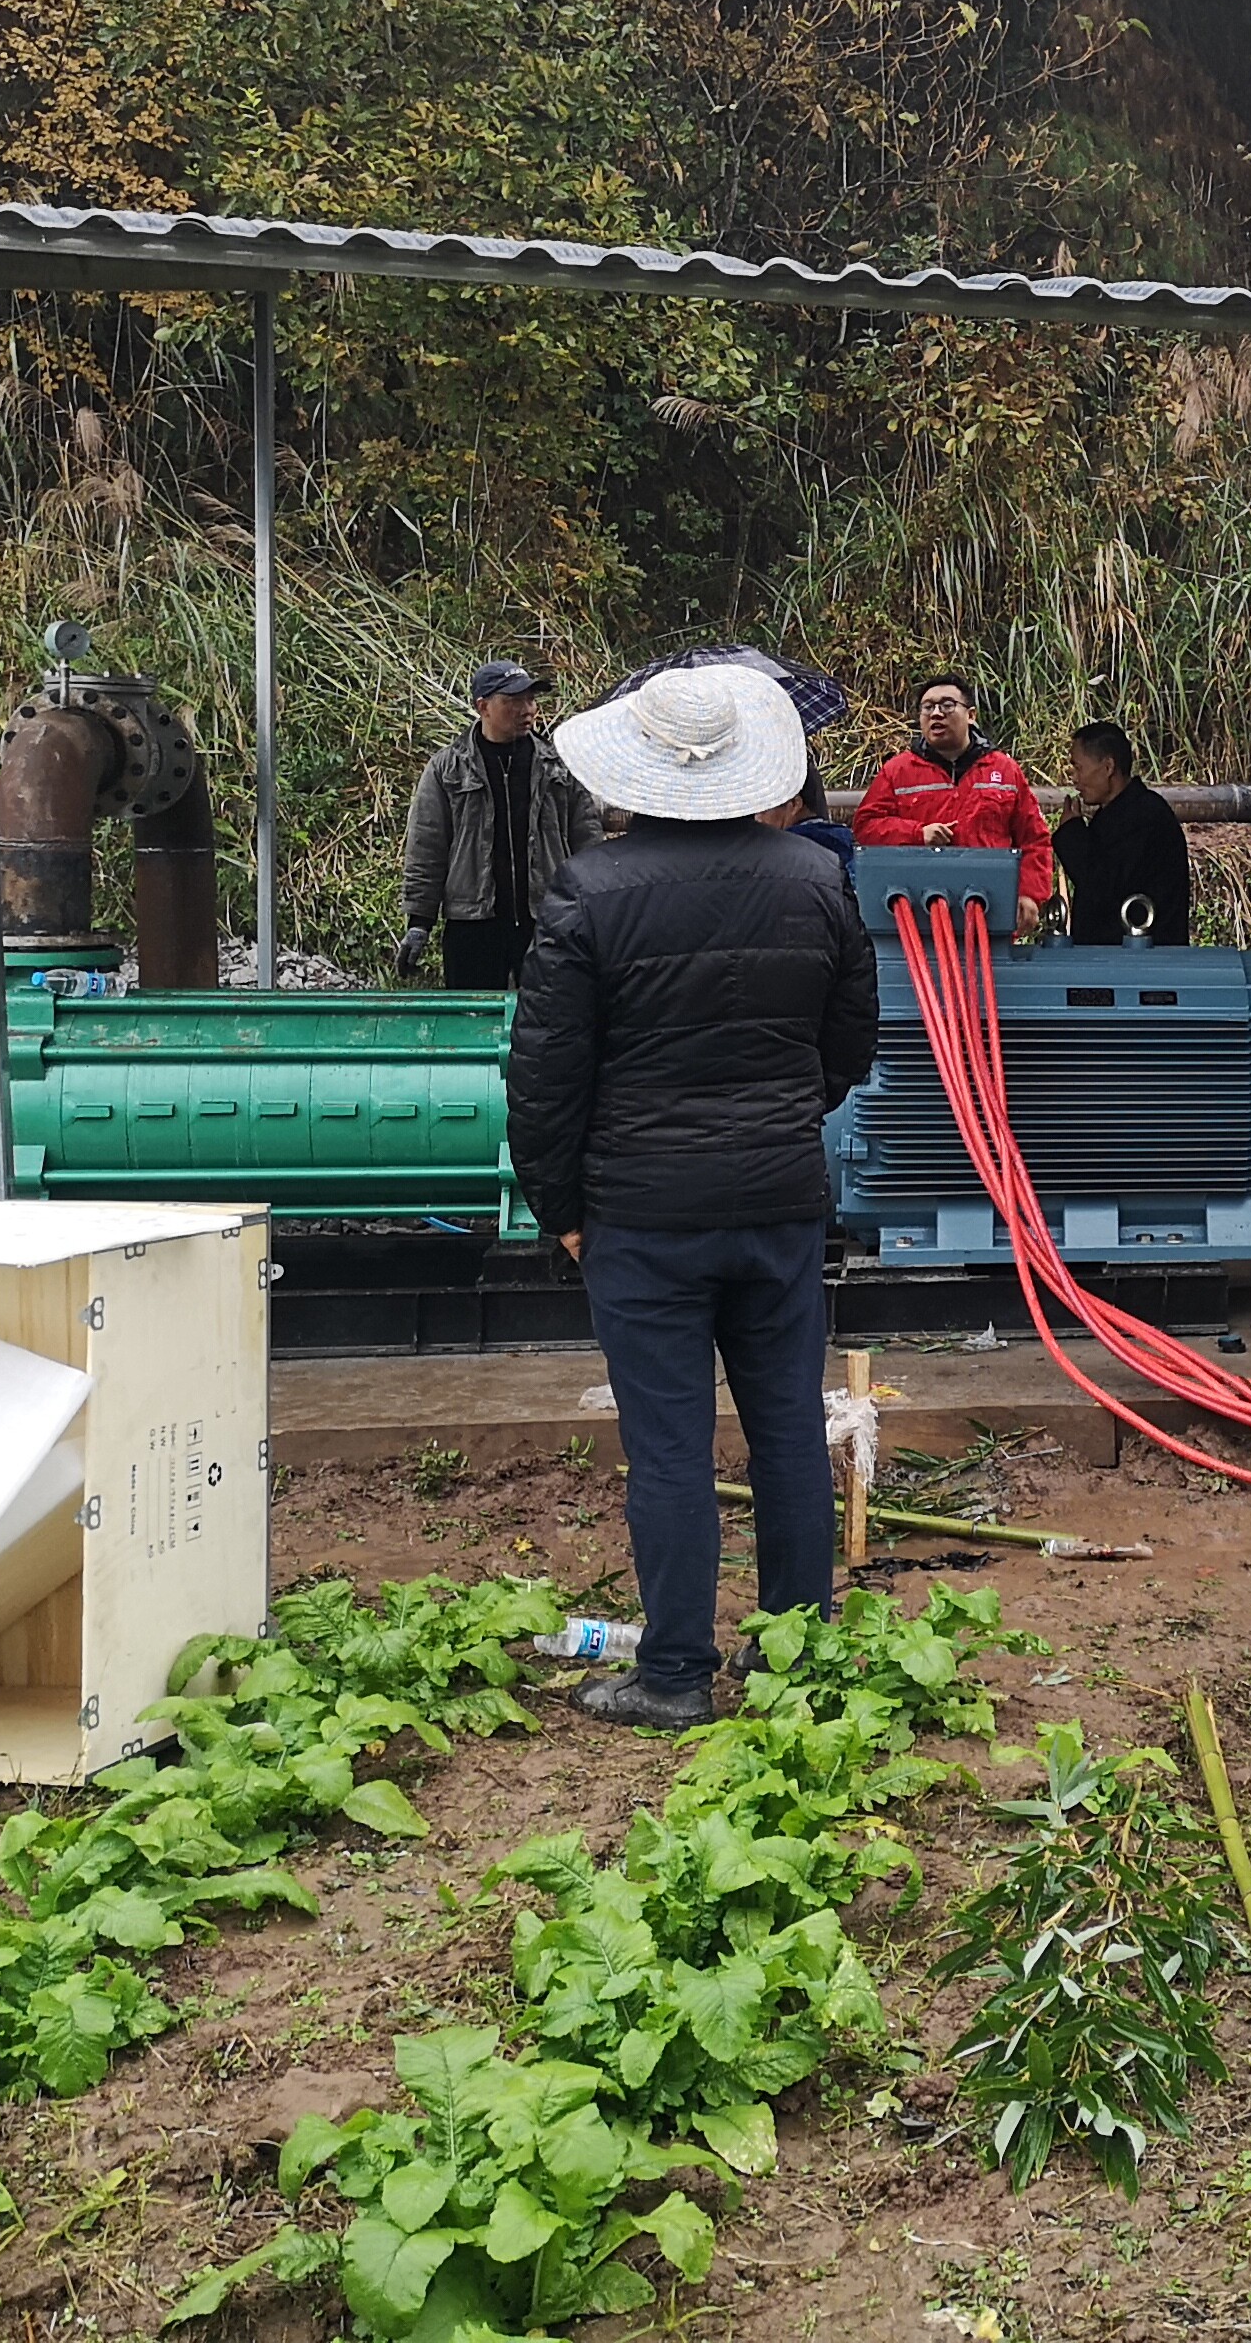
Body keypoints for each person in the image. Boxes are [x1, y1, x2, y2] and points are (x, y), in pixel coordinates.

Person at [506, 664, 875, 1728]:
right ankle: (793, 1661)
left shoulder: (591, 888)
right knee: (789, 1435)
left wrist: (562, 1208)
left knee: (669, 1448)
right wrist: (777, 1118)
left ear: (637, 770)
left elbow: (543, 1076)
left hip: (641, 1215)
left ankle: (673, 1676)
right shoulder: (814, 879)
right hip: (777, 1205)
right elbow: (852, 1043)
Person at [399, 661, 610, 987]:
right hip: (474, 923)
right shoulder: (448, 769)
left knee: (551, 1023)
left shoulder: (557, 767)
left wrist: (597, 909)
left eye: (530, 700)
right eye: (513, 701)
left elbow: (587, 839)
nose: (528, 710)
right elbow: (427, 847)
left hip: (548, 918)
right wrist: (419, 922)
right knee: (472, 1024)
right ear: (483, 706)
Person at [849, 673, 1051, 940]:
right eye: (928, 707)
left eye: (946, 705)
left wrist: (1029, 894)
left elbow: (1034, 839)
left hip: (990, 914)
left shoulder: (1004, 771)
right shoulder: (897, 772)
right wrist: (917, 834)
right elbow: (866, 828)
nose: (936, 714)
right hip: (918, 918)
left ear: (971, 715)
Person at [1051, 721, 1191, 944]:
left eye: (1079, 768)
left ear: (1108, 767)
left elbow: (1102, 888)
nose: (1075, 779)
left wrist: (1072, 835)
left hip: (1144, 960)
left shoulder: (1145, 817)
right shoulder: (1119, 814)